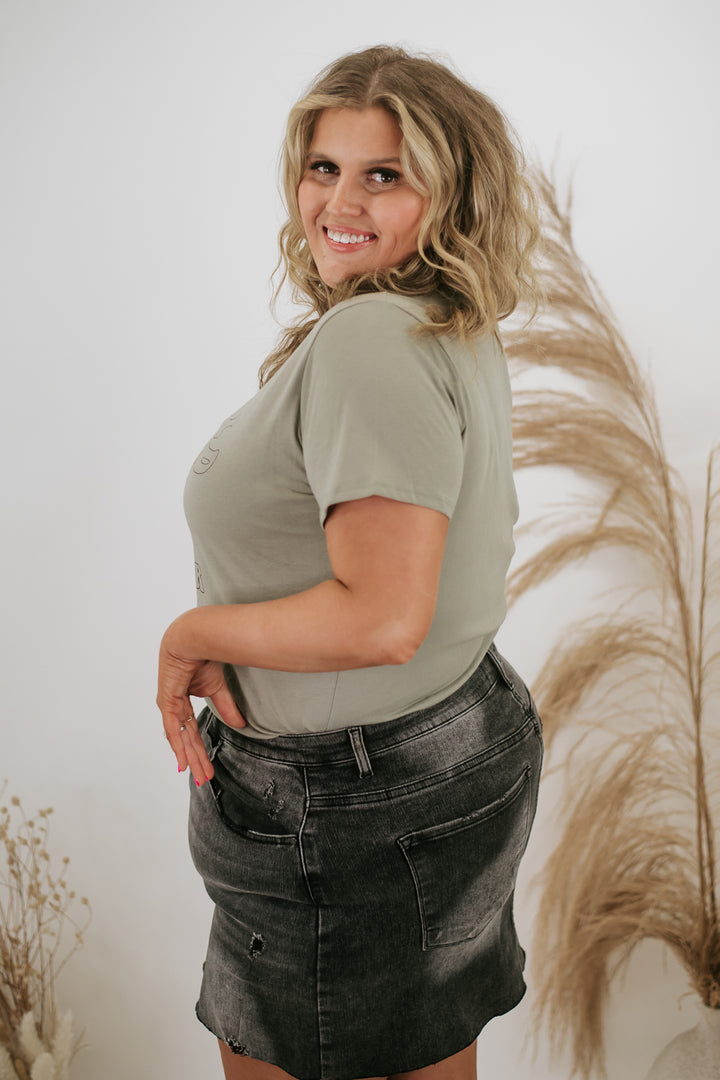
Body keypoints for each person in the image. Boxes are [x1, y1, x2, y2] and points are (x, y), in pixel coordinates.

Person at [157, 45, 543, 1080]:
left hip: (349, 800)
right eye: (324, 167)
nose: (340, 202)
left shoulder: (374, 341)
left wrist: (191, 633)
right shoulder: (447, 317)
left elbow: (380, 618)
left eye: (385, 175)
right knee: (422, 1049)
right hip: (448, 743)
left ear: (451, 195)